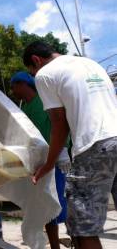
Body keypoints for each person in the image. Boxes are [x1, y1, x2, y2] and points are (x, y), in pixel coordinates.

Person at [23, 41, 117, 249]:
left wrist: (48, 164)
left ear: (36, 61)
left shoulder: (45, 74)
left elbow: (59, 123)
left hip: (95, 145)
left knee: (83, 227)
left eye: (32, 70)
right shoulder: (90, 64)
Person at [10, 71, 70, 249]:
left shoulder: (44, 100)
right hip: (37, 163)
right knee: (45, 207)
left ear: (22, 84)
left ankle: (76, 237)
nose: (12, 91)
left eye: (13, 87)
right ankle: (54, 246)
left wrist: (64, 148)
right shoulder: (24, 109)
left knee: (61, 203)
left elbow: (61, 123)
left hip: (55, 159)